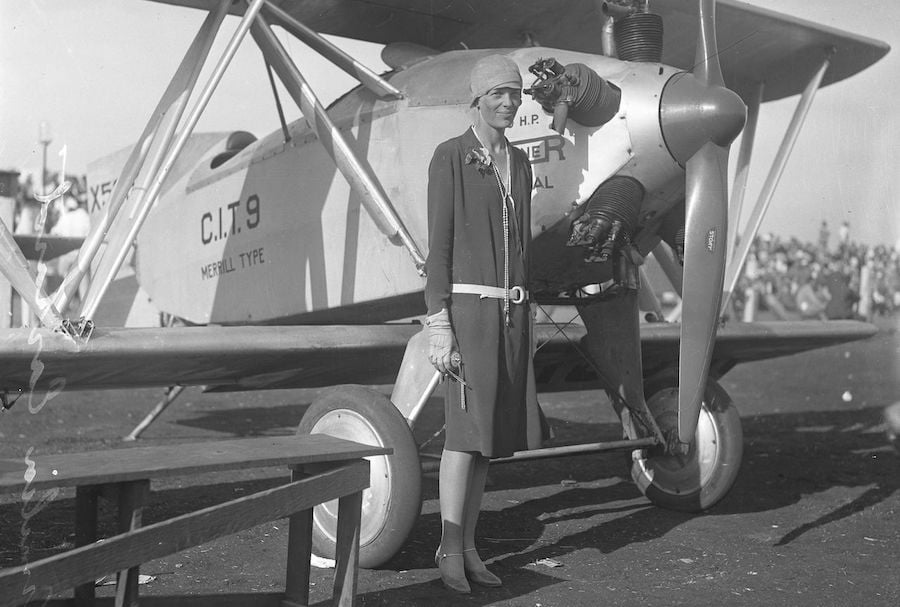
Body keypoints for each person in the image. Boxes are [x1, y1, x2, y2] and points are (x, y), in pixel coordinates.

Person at [424, 54, 546, 594]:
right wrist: (438, 324)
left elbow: (521, 247)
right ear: (477, 99)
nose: (509, 102)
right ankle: (448, 548)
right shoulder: (449, 156)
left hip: (511, 315)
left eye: (515, 93)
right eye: (498, 93)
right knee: (463, 435)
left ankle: (470, 546)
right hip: (468, 314)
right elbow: (439, 249)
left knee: (488, 438)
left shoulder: (519, 163)